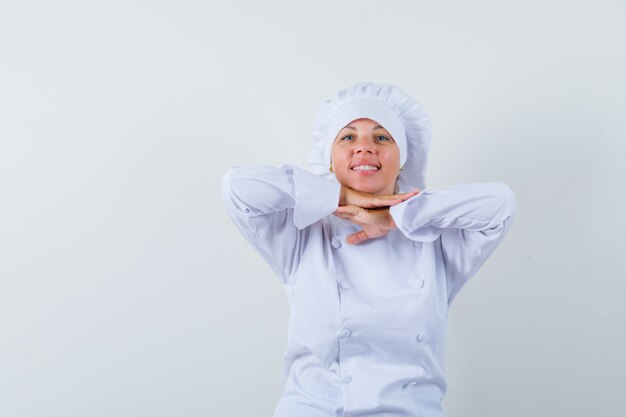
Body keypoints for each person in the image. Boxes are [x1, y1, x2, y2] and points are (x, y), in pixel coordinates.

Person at [221, 82, 516, 417]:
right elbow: (237, 187)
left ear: (403, 159)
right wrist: (345, 199)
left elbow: (500, 204)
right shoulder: (302, 233)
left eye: (382, 137)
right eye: (348, 137)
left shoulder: (436, 241)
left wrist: (398, 215)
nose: (364, 148)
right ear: (329, 160)